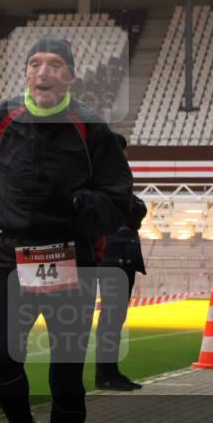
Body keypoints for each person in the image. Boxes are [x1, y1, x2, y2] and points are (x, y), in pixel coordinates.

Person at [0, 35, 133, 423]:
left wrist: (83, 205)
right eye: (36, 63)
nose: (44, 72)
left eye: (55, 64)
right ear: (26, 74)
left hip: (70, 261)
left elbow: (120, 198)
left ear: (71, 76)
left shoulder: (91, 128)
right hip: (11, 259)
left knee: (65, 381)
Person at [94, 134, 147, 391]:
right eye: (122, 152)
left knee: (114, 318)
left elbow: (136, 209)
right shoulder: (107, 179)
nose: (126, 157)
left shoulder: (110, 178)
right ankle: (105, 374)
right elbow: (134, 209)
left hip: (118, 254)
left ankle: (109, 371)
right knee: (111, 318)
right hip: (113, 255)